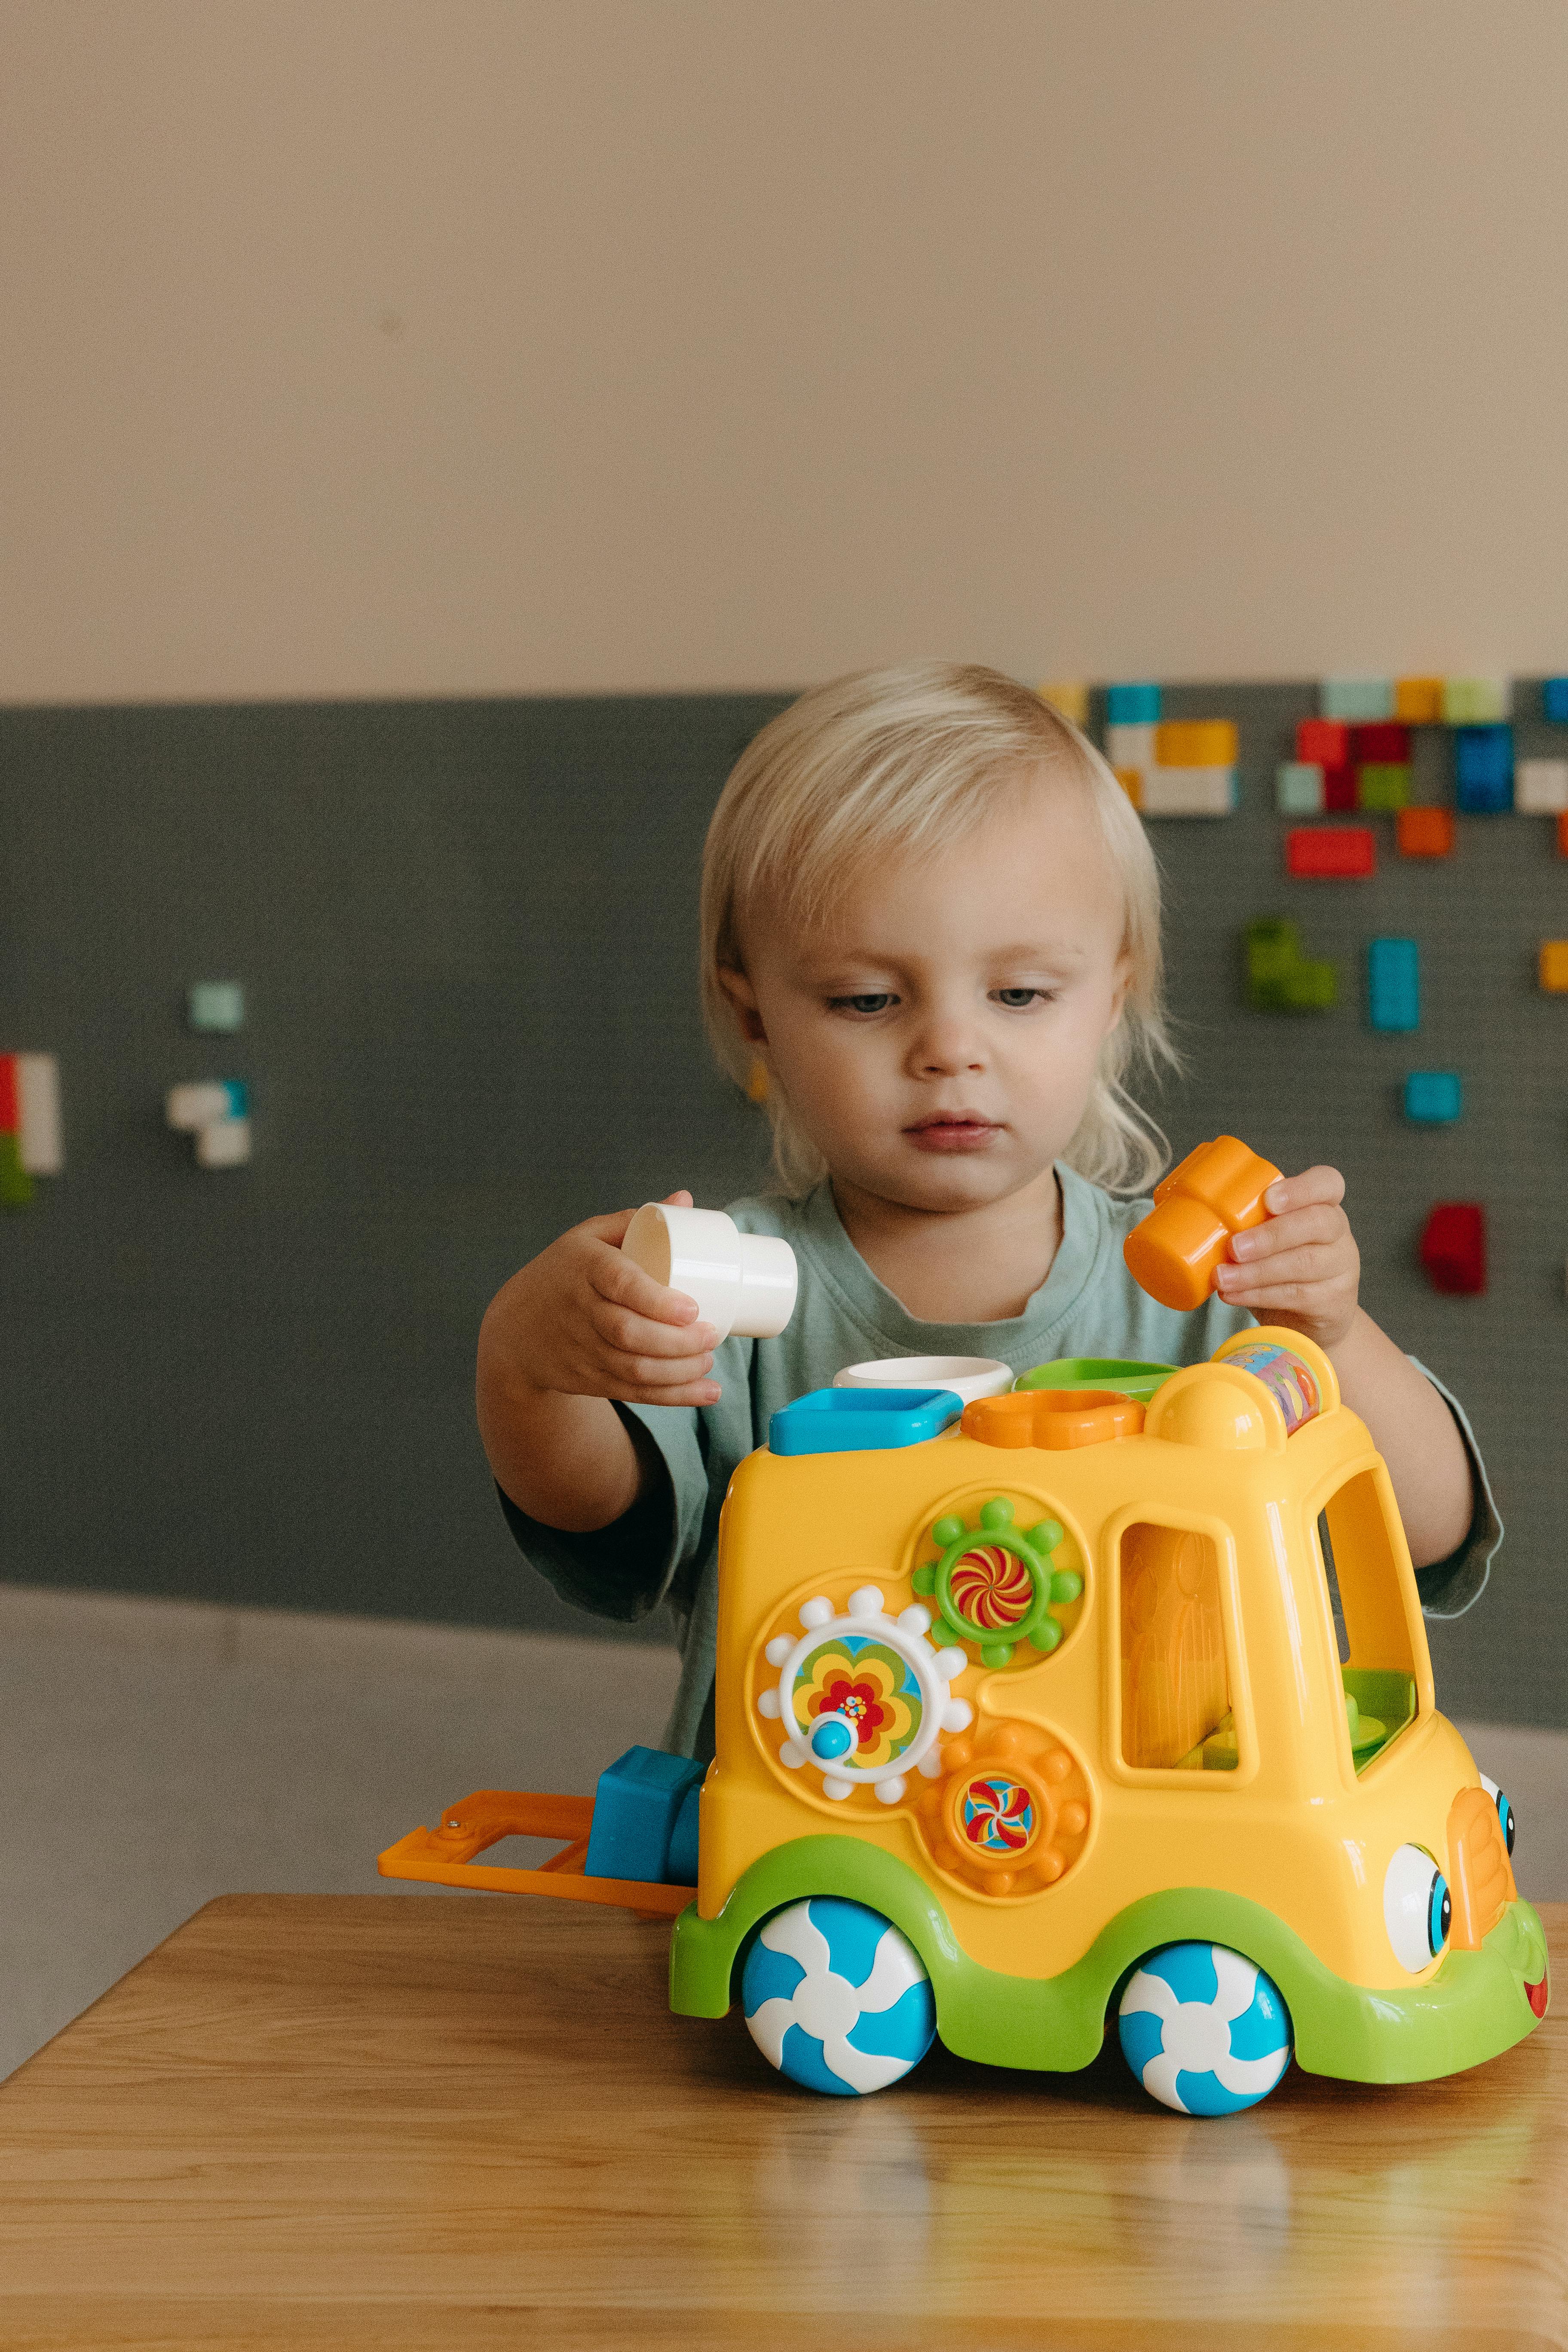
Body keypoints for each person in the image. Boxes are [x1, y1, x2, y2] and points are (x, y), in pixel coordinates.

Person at [478, 664, 1498, 1760]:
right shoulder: (724, 1288)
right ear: (757, 1014)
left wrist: (1333, 1335)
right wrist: (528, 1361)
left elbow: (1422, 1536)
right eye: (867, 999)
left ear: (1112, 995)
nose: (950, 1050)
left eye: (1018, 995)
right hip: (809, 1853)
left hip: (1142, 1838)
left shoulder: (1205, 1292)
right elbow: (603, 1524)